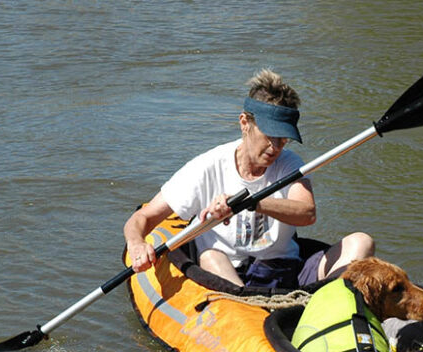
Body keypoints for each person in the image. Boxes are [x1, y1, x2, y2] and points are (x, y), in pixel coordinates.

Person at [124, 69, 374, 288]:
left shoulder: (290, 164)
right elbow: (142, 218)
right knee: (211, 256)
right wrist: (137, 245)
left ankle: (330, 303)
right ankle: (248, 312)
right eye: (270, 135)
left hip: (286, 271)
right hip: (230, 273)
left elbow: (307, 213)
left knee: (362, 242)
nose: (276, 147)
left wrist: (250, 202)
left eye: (284, 139)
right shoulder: (206, 167)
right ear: (245, 122)